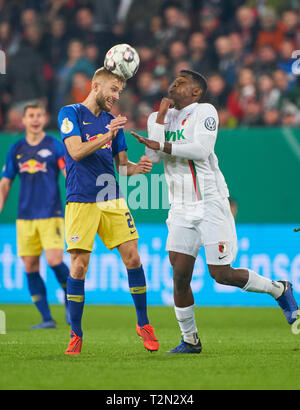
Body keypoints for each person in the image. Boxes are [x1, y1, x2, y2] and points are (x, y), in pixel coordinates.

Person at [131, 69, 298, 354]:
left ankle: (280, 289)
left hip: (210, 203)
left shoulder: (205, 111)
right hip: (180, 207)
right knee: (179, 274)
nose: (175, 84)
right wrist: (159, 118)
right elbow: (156, 157)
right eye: (174, 80)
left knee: (221, 274)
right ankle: (190, 339)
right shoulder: (159, 116)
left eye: (182, 83)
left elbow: (200, 149)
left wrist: (160, 143)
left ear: (195, 92)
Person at [57, 67, 159, 355]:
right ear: (96, 86)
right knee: (79, 267)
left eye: (119, 92)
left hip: (111, 197)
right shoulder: (70, 113)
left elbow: (122, 166)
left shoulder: (114, 123)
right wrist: (107, 135)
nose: (116, 96)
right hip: (80, 199)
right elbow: (75, 151)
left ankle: (144, 323)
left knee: (134, 257)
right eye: (113, 90)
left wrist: (136, 169)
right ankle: (76, 334)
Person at [0, 101, 70, 329]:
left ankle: (72, 302)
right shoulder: (16, 149)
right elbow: (5, 183)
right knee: (30, 265)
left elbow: (67, 173)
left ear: (45, 118)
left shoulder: (55, 146)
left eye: (39, 115)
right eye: (31, 115)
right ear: (24, 119)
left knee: (54, 260)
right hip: (25, 217)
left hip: (51, 214)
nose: (36, 119)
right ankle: (47, 318)